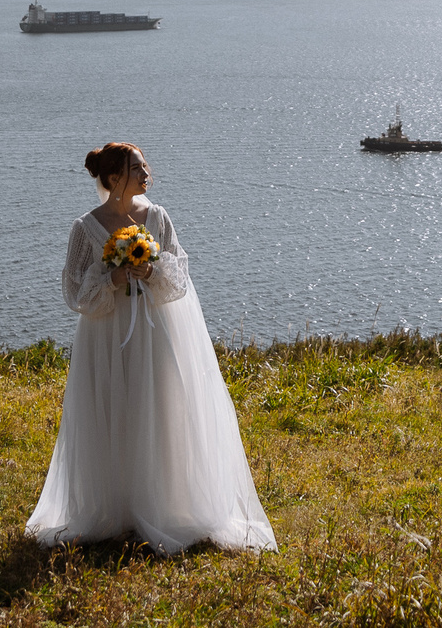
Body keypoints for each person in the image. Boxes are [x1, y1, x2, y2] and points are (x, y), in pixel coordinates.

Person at [25, 141, 277, 553]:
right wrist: (113, 279)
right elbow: (74, 291)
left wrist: (151, 269)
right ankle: (114, 504)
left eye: (144, 167)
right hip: (107, 335)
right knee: (113, 407)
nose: (147, 174)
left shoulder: (157, 217)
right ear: (113, 178)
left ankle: (163, 501)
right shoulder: (85, 228)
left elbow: (180, 274)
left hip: (157, 329)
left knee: (160, 407)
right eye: (137, 168)